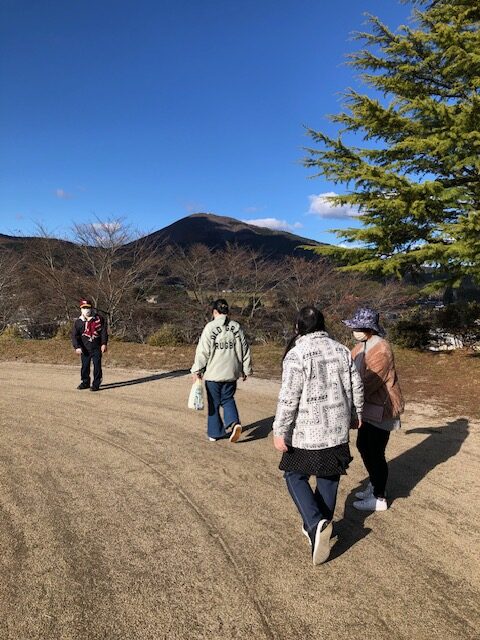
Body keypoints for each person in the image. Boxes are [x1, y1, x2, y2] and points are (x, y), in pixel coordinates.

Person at [273, 306, 364, 565]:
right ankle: (321, 524)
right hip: (336, 429)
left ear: (298, 327)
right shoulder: (341, 350)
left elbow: (289, 397)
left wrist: (280, 430)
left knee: (294, 474)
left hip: (306, 431)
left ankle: (315, 524)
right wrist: (357, 414)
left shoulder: (296, 354)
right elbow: (356, 385)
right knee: (329, 478)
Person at [343, 307, 404, 512]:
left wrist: (347, 391)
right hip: (367, 408)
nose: (355, 331)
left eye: (358, 327)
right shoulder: (362, 345)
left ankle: (379, 496)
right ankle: (375, 484)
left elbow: (369, 382)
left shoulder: (382, 349)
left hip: (381, 408)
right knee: (364, 446)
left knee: (375, 451)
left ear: (369, 328)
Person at [191, 299, 252, 443]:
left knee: (214, 402)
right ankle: (234, 422)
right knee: (228, 398)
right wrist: (246, 369)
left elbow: (203, 352)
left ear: (214, 312)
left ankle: (215, 433)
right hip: (231, 373)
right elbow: (245, 350)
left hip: (213, 373)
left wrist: (197, 370)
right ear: (227, 312)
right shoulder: (236, 327)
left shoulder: (210, 327)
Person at [72, 299, 108, 392]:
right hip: (85, 348)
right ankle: (85, 382)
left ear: (91, 308)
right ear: (81, 309)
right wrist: (77, 347)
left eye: (88, 307)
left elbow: (103, 332)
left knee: (97, 366)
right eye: (84, 308)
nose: (86, 310)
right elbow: (75, 336)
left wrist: (104, 343)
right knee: (85, 366)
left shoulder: (99, 319)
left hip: (96, 346)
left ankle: (96, 384)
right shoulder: (78, 322)